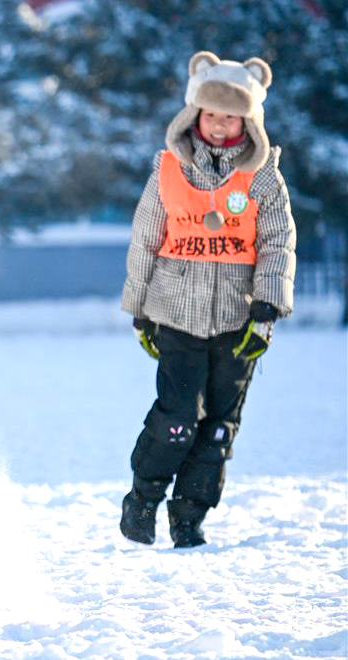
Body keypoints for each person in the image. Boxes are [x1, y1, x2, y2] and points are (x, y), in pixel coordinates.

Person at [119, 52, 296, 549]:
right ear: (194, 114)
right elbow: (146, 236)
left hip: (240, 320)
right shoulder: (169, 168)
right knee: (177, 418)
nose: (219, 125)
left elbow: (278, 241)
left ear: (248, 120)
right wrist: (140, 309)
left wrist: (268, 307)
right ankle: (144, 497)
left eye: (231, 116)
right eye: (211, 114)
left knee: (218, 427)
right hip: (175, 314)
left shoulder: (263, 177)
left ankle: (189, 517)